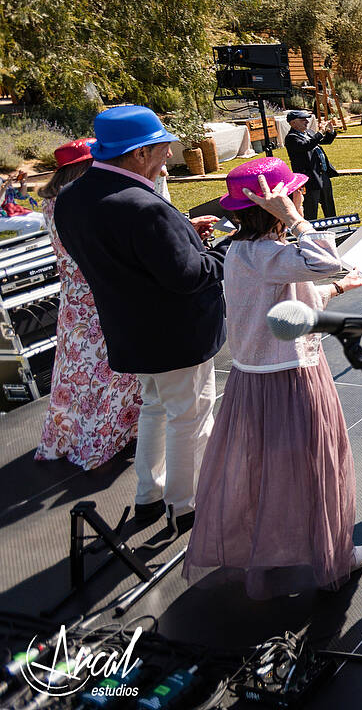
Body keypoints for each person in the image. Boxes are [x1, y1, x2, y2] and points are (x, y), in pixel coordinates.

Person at [185, 158, 362, 597]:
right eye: (296, 192)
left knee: (266, 468)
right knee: (319, 465)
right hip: (291, 376)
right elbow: (325, 261)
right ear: (275, 205)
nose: (303, 195)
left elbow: (292, 296)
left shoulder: (242, 252)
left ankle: (267, 547)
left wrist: (341, 288)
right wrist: (295, 219)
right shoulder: (270, 254)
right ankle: (335, 556)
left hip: (252, 380)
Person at [55, 106, 225, 527]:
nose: (168, 154)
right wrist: (230, 249)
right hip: (177, 336)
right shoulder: (143, 206)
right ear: (138, 153)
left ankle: (149, 494)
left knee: (155, 409)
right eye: (163, 147)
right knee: (190, 418)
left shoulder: (71, 198)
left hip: (129, 332)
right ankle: (185, 505)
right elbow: (189, 277)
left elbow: (122, 255)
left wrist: (181, 236)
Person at [35, 138, 142, 470]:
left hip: (73, 298)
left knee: (75, 370)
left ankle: (74, 432)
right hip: (99, 294)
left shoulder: (52, 204)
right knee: (107, 370)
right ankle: (107, 434)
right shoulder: (86, 204)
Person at [284, 110, 340, 220]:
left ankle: (334, 225)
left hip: (322, 174)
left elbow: (325, 141)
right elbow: (307, 145)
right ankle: (310, 228)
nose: (306, 121)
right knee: (311, 207)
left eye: (306, 119)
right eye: (302, 120)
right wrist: (320, 132)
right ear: (293, 123)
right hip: (309, 178)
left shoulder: (308, 132)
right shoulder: (291, 138)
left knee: (329, 204)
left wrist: (330, 131)